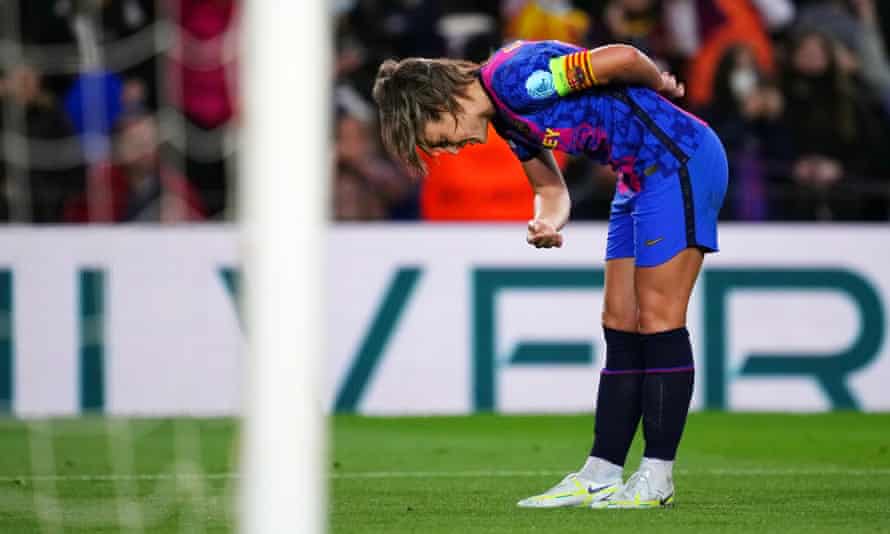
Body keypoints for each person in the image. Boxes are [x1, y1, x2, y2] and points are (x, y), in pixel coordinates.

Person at [372, 39, 728, 509]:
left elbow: (621, 59)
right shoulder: (506, 116)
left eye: (439, 138)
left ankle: (657, 476)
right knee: (620, 322)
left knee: (658, 317)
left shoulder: (516, 80)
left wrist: (658, 83)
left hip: (677, 160)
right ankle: (601, 472)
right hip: (637, 175)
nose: (452, 149)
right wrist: (547, 221)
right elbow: (549, 188)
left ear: (439, 102)